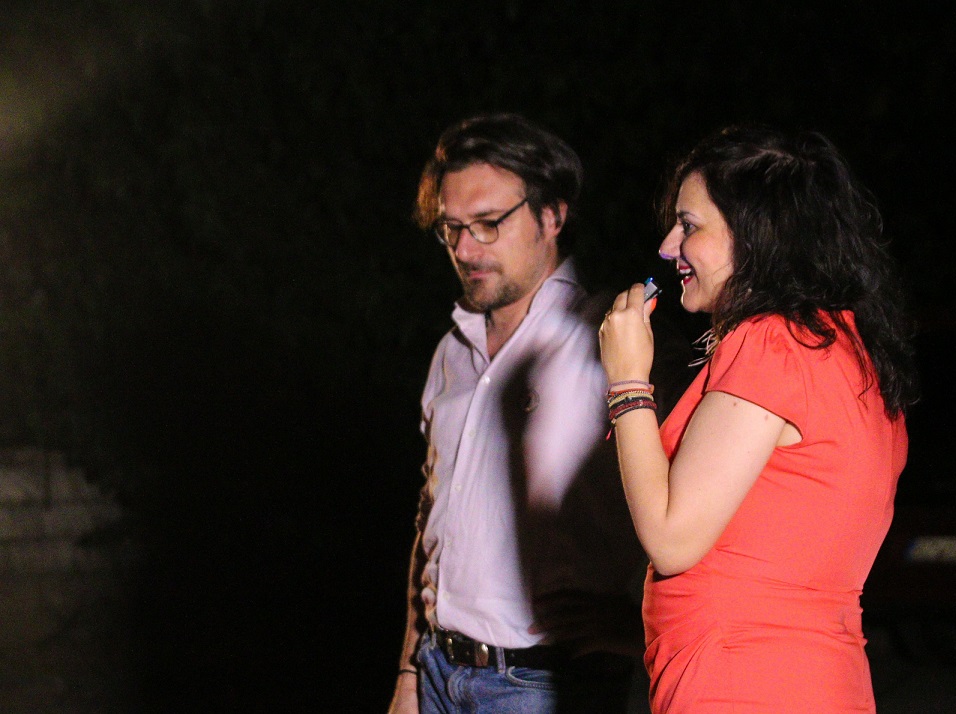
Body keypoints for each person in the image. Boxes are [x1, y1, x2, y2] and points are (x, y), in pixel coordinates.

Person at [598, 125, 918, 713]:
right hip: (815, 679)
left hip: (742, 680)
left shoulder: (773, 343)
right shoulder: (846, 349)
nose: (668, 246)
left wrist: (626, 382)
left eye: (689, 225)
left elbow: (671, 538)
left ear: (755, 234)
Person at [389, 114, 645, 714]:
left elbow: (714, 500)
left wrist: (637, 625)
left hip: (542, 684)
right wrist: (408, 670)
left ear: (551, 216)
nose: (464, 249)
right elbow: (431, 517)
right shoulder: (452, 349)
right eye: (451, 229)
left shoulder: (608, 339)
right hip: (437, 670)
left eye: (488, 224)